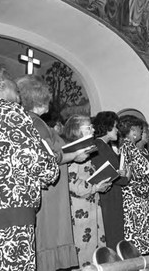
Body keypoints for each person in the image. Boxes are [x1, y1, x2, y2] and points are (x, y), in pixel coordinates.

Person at [0, 63, 59, 270]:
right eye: (10, 77)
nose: (16, 84)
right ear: (0, 82)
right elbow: (34, 160)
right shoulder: (10, 111)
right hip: (9, 210)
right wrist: (51, 168)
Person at [16, 75, 90, 271]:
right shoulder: (35, 123)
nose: (50, 98)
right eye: (47, 95)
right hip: (48, 193)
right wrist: (74, 155)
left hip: (52, 191)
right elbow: (49, 158)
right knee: (47, 236)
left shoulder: (35, 122)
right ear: (39, 97)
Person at [63, 114, 112, 268]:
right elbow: (72, 183)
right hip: (80, 210)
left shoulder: (86, 149)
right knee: (84, 250)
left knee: (96, 249)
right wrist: (95, 187)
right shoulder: (71, 151)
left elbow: (88, 175)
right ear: (77, 130)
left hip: (92, 205)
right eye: (89, 127)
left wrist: (101, 183)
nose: (93, 129)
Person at [90, 111, 128, 250]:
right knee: (112, 235)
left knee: (115, 233)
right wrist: (125, 176)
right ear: (107, 127)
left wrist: (120, 173)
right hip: (107, 197)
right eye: (116, 127)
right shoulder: (99, 146)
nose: (118, 131)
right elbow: (106, 173)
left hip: (112, 195)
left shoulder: (104, 146)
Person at [118, 115, 149, 254]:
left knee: (142, 232)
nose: (141, 132)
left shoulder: (131, 147)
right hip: (134, 200)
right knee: (136, 235)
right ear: (133, 131)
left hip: (140, 199)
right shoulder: (126, 147)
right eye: (140, 129)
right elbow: (132, 173)